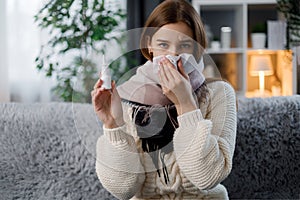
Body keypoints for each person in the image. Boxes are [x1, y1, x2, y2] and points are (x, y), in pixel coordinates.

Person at [91, 0, 237, 199]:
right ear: (150, 45)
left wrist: (185, 103)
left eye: (184, 45)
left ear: (196, 49)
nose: (173, 55)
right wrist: (112, 124)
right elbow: (123, 189)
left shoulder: (219, 93)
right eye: (163, 45)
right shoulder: (126, 96)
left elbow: (208, 177)